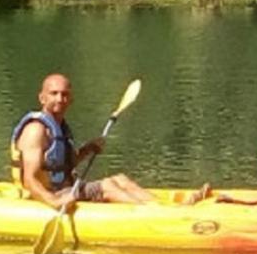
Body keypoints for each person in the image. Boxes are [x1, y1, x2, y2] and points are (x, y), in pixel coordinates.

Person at [10, 73, 156, 206]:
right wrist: (54, 201)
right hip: (49, 195)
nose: (60, 99)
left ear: (71, 100)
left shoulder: (59, 127)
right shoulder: (36, 131)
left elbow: (65, 164)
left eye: (65, 94)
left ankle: (162, 207)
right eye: (54, 94)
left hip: (67, 189)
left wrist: (89, 149)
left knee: (121, 180)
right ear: (42, 98)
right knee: (108, 186)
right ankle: (152, 215)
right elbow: (29, 179)